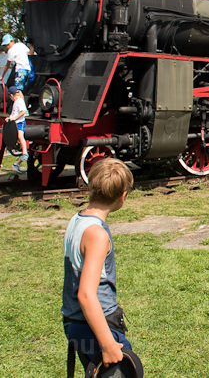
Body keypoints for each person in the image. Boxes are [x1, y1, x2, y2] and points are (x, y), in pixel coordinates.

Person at [62, 158, 135, 373]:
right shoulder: (97, 234)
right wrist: (108, 344)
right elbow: (86, 294)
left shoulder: (77, 220)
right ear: (123, 197)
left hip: (76, 322)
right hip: (95, 327)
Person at [5, 86, 28, 173]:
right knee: (14, 135)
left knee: (20, 135)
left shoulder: (19, 101)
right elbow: (14, 112)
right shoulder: (16, 102)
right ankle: (15, 147)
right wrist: (10, 118)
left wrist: (14, 118)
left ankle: (24, 152)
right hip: (15, 122)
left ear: (11, 95)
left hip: (20, 122)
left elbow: (23, 112)